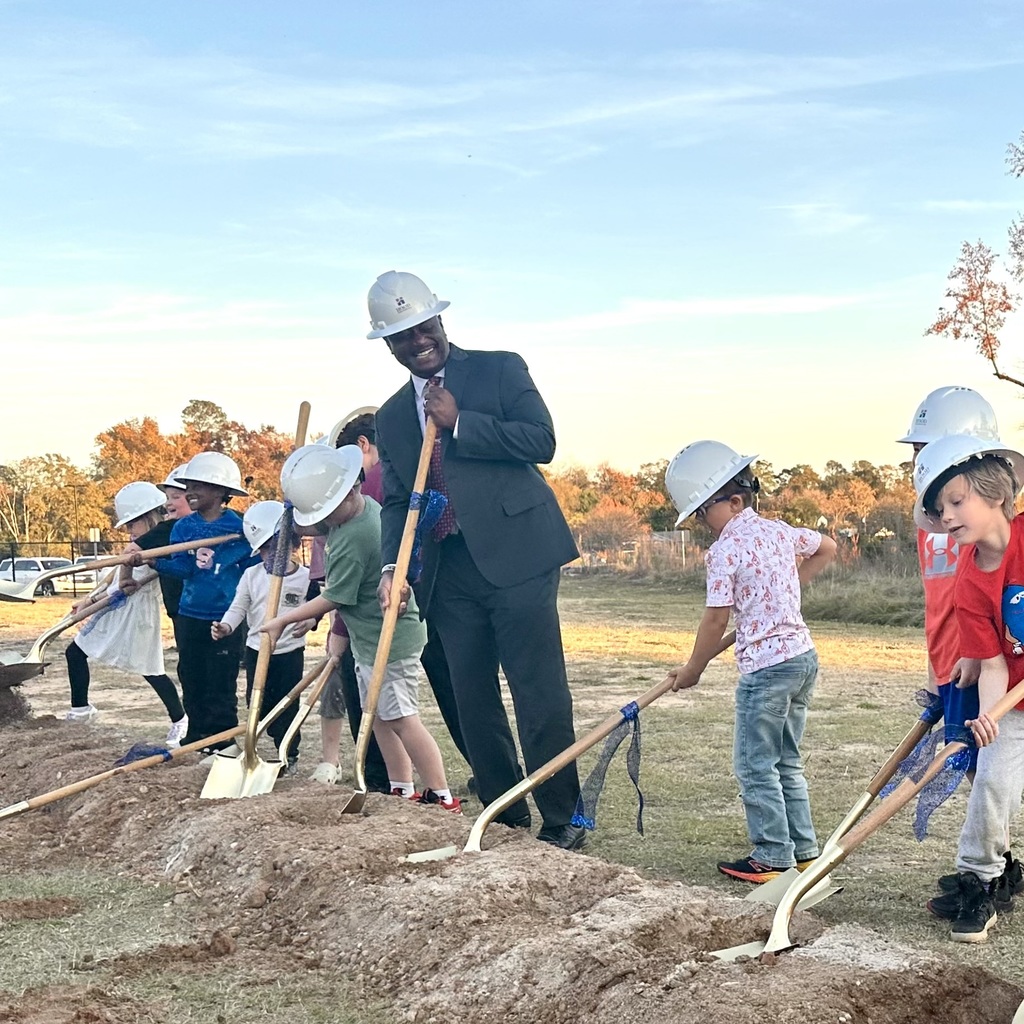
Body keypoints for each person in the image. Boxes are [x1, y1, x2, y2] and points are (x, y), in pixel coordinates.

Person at [367, 270, 583, 848]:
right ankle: (506, 814)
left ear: (439, 321)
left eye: (422, 328)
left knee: (537, 692)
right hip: (447, 568)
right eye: (400, 337)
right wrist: (394, 567)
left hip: (519, 556)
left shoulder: (499, 368)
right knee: (470, 698)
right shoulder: (390, 416)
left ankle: (564, 819)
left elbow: (542, 441)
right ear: (387, 345)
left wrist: (460, 421)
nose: (416, 342)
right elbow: (394, 500)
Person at [663, 440, 837, 883]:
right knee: (786, 761)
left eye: (704, 512)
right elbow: (828, 547)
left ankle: (773, 856)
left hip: (767, 670)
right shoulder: (780, 531)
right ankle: (804, 852)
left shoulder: (724, 551)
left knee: (755, 764)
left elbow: (716, 617)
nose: (703, 523)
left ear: (734, 500)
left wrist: (693, 669)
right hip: (802, 658)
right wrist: (786, 591)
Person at [264, 443, 461, 811]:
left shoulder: (357, 534)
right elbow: (344, 589)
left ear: (349, 491)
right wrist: (313, 616)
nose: (320, 522)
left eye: (323, 512)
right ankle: (401, 787)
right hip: (369, 639)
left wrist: (283, 618)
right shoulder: (359, 514)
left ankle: (442, 794)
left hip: (391, 641)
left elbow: (337, 595)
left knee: (402, 718)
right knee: (380, 719)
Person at [895, 387, 1024, 919]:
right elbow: (992, 660)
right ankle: (980, 878)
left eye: (955, 501)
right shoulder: (972, 575)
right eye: (939, 506)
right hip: (1008, 695)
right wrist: (992, 715)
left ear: (994, 488)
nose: (947, 515)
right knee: (991, 775)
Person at [307, 407, 469, 788]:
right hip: (404, 610)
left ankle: (434, 789)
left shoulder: (376, 488)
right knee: (386, 712)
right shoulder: (387, 482)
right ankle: (404, 785)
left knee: (399, 713)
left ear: (363, 445)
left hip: (391, 617)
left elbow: (355, 577)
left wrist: (337, 628)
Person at [139, 451, 259, 753]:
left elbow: (250, 573)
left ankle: (223, 740)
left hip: (225, 616)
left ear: (221, 492)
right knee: (191, 677)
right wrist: (155, 563)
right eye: (187, 486)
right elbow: (184, 569)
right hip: (190, 613)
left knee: (221, 679)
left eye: (198, 487)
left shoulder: (240, 529)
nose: (189, 493)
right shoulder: (183, 528)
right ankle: (197, 734)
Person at [64, 482, 187, 747]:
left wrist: (107, 594)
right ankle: (81, 709)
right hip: (116, 608)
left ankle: (180, 720)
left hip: (137, 613)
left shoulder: (162, 543)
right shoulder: (136, 546)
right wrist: (88, 600)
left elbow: (137, 580)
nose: (130, 531)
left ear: (149, 518)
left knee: (151, 669)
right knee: (75, 652)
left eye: (133, 524)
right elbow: (113, 580)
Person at [211, 501, 313, 774]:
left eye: (277, 546)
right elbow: (238, 607)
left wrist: (311, 620)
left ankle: (287, 753)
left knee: (287, 704)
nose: (271, 555)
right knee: (258, 703)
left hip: (290, 652)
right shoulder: (251, 575)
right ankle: (253, 751)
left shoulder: (305, 579)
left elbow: (319, 608)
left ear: (293, 543)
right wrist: (226, 627)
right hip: (257, 650)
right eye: (265, 549)